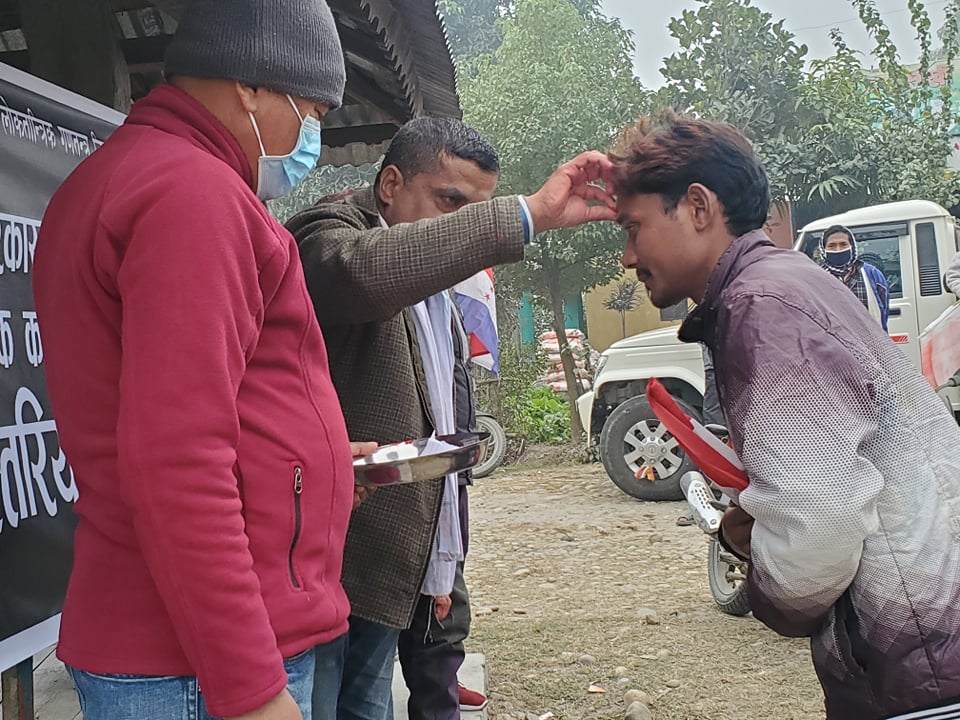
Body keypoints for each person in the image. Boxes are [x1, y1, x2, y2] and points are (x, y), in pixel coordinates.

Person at [32, 2, 369, 719]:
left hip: (175, 651)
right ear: (251, 85)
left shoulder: (129, 176)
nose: (311, 137)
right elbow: (176, 457)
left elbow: (187, 404)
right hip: (193, 665)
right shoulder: (194, 194)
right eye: (310, 112)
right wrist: (250, 686)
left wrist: (318, 466)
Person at [610, 109, 960, 720]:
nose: (627, 255)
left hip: (922, 666)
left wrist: (763, 578)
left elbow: (818, 530)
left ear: (698, 206)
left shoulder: (761, 305)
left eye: (634, 227)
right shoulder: (787, 280)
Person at [287, 117, 615, 720]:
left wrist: (443, 563)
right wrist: (525, 216)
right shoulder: (326, 235)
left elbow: (441, 419)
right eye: (450, 203)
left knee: (369, 705)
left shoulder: (441, 290)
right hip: (334, 561)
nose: (460, 225)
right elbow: (360, 273)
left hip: (400, 559)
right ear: (390, 184)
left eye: (476, 211)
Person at [819, 224, 890, 331]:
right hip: (832, 339)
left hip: (869, 338)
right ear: (823, 249)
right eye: (832, 246)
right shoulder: (817, 277)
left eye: (843, 244)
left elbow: (884, 310)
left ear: (852, 246)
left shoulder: (872, 274)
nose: (838, 249)